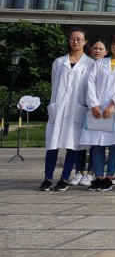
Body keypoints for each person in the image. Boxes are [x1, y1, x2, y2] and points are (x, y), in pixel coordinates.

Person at [39, 28, 93, 192]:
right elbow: (55, 85)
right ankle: (48, 178)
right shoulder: (59, 62)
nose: (75, 41)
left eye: (79, 39)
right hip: (59, 107)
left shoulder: (90, 64)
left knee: (72, 145)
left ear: (85, 42)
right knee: (52, 145)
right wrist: (54, 104)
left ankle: (64, 179)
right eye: (73, 39)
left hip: (77, 108)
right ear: (69, 41)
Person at [83, 33, 115, 191]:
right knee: (97, 144)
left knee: (114, 145)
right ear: (110, 47)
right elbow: (90, 82)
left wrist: (112, 105)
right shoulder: (100, 62)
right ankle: (98, 177)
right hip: (98, 110)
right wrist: (94, 104)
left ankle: (109, 178)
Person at [70, 38, 108, 186]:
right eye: (95, 48)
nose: (97, 51)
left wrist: (95, 104)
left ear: (106, 52)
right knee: (79, 141)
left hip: (97, 109)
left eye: (101, 49)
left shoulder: (105, 66)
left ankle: (91, 173)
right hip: (81, 106)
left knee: (95, 143)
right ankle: (79, 172)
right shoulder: (85, 63)